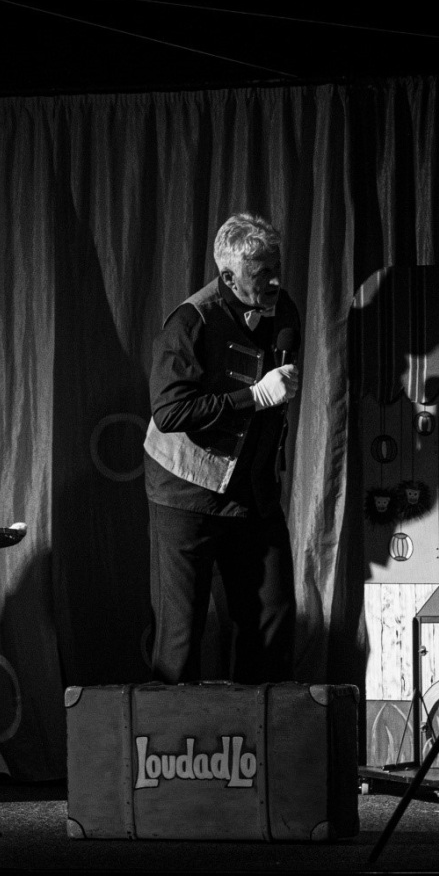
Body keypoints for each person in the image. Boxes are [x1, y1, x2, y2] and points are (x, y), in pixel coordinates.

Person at [143, 212, 300, 684]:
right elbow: (169, 412)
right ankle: (175, 730)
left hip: (251, 491)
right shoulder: (191, 321)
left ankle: (257, 724)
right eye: (262, 273)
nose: (275, 281)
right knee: (182, 633)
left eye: (277, 268)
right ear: (229, 277)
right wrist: (252, 397)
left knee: (272, 617)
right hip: (187, 490)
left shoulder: (283, 309)